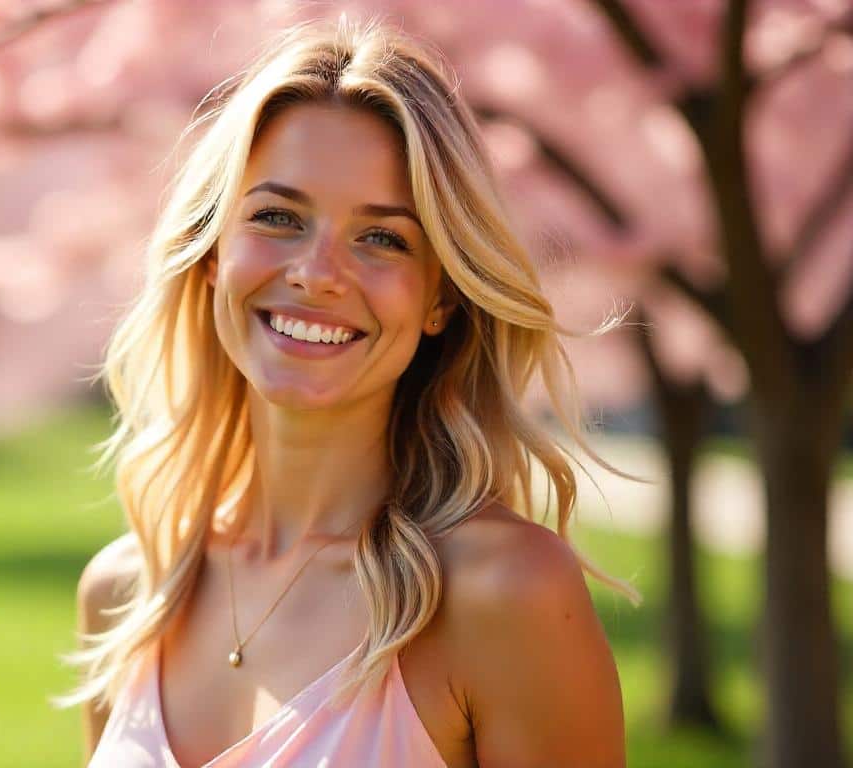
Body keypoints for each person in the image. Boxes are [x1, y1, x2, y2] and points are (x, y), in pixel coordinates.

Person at [53, 17, 642, 768]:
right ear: (211, 258)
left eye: (382, 238)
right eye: (276, 217)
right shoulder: (126, 594)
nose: (317, 271)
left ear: (440, 299)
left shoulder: (504, 592)